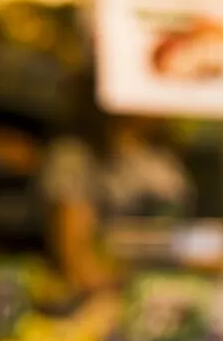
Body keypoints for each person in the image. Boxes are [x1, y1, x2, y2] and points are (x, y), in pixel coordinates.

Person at [40, 72, 193, 294]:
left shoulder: (162, 154)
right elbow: (77, 260)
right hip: (105, 304)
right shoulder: (75, 158)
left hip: (165, 294)